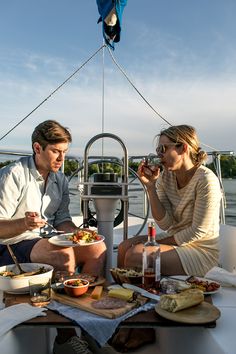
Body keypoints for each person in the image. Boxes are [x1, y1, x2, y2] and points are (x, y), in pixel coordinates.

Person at [0, 120, 107, 354]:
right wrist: (23, 223)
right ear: (37, 148)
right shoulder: (12, 175)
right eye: (56, 152)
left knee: (97, 248)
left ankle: (87, 325)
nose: (62, 159)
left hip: (44, 241)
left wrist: (79, 234)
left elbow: (62, 221)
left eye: (65, 153)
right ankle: (65, 337)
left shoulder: (60, 179)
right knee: (62, 256)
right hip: (11, 246)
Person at [118, 124, 222, 277]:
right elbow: (166, 224)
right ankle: (125, 294)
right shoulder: (166, 177)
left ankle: (136, 295)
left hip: (201, 251)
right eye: (158, 150)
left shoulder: (206, 180)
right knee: (124, 246)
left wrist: (154, 243)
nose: (159, 155)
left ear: (183, 148)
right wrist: (151, 187)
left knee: (135, 255)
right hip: (177, 241)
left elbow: (197, 231)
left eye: (163, 149)